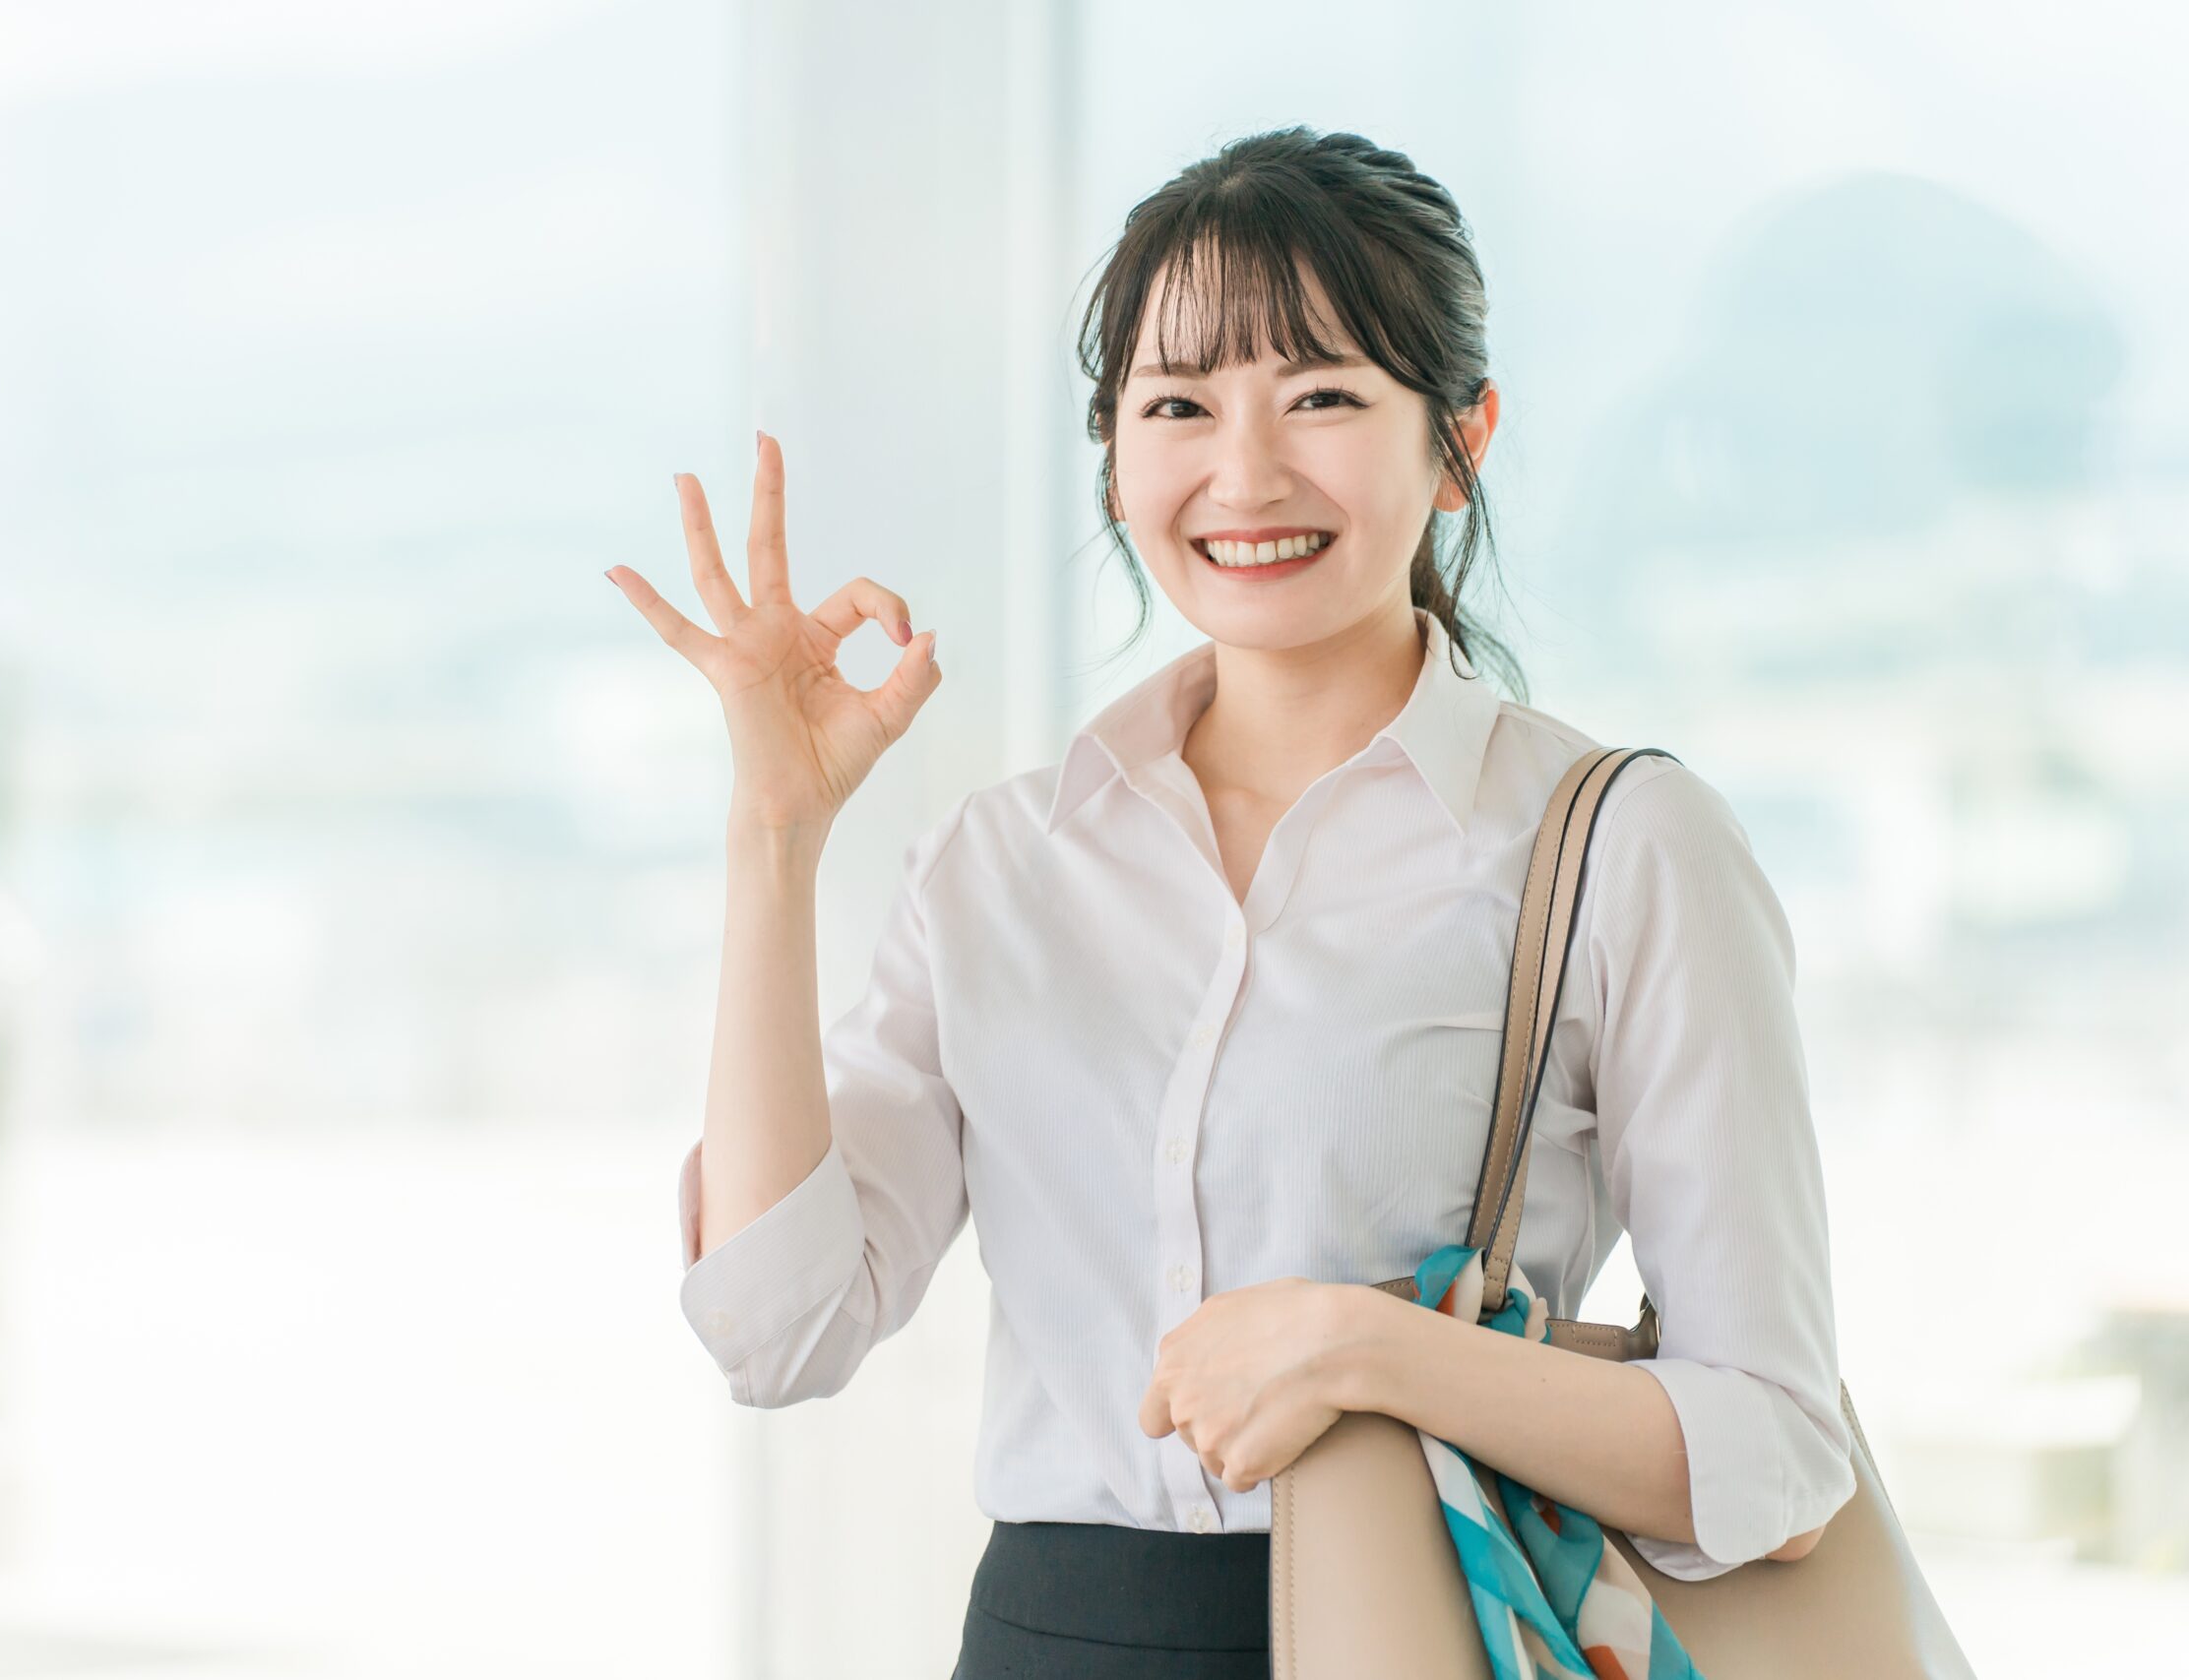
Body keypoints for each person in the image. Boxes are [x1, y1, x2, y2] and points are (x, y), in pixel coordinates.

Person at [607, 125, 1855, 1680]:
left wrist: (1369, 1350)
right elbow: (778, 1332)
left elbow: (1779, 1458)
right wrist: (773, 835)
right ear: (1117, 454)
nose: (1244, 474)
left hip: (1423, 1635)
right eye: (1179, 406)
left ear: (1460, 441)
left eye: (1324, 396)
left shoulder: (1625, 846)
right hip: (1051, 1644)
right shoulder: (1005, 864)